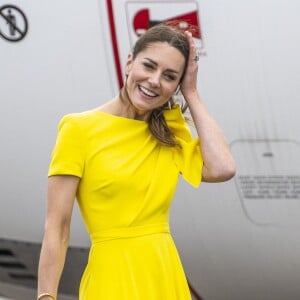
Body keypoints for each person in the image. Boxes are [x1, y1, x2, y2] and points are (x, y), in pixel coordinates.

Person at [37, 23, 235, 300]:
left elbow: (223, 168)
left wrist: (192, 93)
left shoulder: (169, 131)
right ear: (129, 62)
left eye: (169, 76)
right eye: (149, 66)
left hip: (164, 275)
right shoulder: (78, 129)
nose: (155, 81)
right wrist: (46, 296)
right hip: (111, 277)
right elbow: (57, 226)